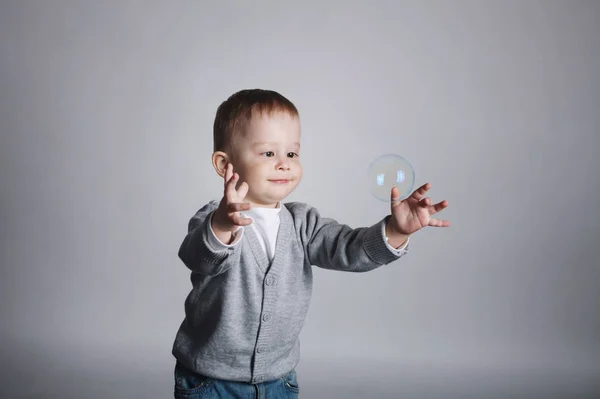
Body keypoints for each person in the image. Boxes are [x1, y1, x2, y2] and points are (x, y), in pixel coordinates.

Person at [172, 89, 450, 398]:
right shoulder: (213, 218)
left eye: (291, 154)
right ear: (225, 165)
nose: (284, 164)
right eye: (268, 153)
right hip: (211, 380)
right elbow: (201, 257)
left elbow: (350, 249)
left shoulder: (304, 223)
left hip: (279, 379)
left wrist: (397, 230)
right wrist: (223, 224)